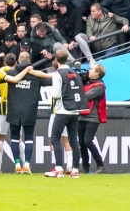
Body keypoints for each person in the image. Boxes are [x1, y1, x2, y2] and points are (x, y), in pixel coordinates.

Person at [45, 48, 82, 178]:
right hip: (75, 110)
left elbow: (55, 94)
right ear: (67, 59)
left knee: (55, 138)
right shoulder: (74, 73)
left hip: (62, 111)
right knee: (73, 141)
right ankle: (75, 170)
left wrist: (50, 93)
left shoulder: (57, 74)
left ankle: (59, 168)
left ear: (56, 59)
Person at [76, 62, 107, 175]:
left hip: (92, 117)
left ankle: (100, 165)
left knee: (87, 141)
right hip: (82, 116)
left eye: (92, 69)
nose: (88, 71)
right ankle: (85, 168)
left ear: (97, 73)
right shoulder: (88, 83)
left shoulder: (99, 86)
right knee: (82, 144)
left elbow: (86, 97)